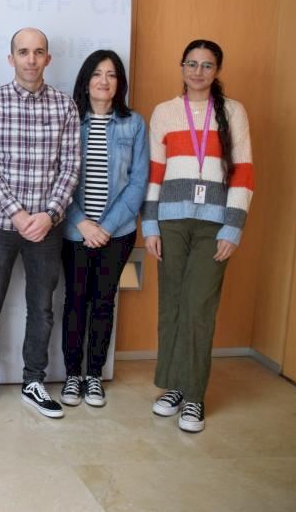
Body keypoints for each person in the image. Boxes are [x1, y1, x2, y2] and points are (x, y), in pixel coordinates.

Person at [142, 39, 254, 433]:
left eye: (207, 65)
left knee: (198, 307)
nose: (198, 72)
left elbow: (243, 173)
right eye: (191, 63)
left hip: (214, 225)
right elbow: (155, 173)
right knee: (172, 304)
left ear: (217, 70)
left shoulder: (233, 112)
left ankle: (194, 396)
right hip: (171, 223)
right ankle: (174, 385)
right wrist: (150, 225)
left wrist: (233, 227)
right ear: (182, 67)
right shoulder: (164, 112)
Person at [0, 27, 80, 420]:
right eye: (23, 52)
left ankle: (34, 380)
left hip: (47, 228)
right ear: (11, 58)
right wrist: (17, 213)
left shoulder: (66, 107)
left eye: (38, 52)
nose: (31, 59)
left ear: (48, 58)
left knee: (42, 308)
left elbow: (70, 167)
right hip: (1, 224)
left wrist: (48, 214)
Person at [59, 50, 148, 408]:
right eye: (97, 73)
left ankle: (93, 375)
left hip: (117, 232)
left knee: (103, 302)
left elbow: (139, 181)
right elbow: (57, 175)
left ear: (119, 83)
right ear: (86, 80)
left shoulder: (134, 123)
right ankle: (72, 375)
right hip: (74, 230)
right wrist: (81, 222)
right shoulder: (69, 118)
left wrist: (106, 227)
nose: (104, 80)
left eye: (111, 74)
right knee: (75, 301)